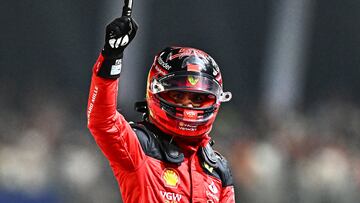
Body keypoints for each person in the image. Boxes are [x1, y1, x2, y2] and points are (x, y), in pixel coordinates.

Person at [87, 16, 235, 203]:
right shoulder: (140, 146)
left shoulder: (219, 169)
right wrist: (111, 58)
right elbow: (102, 121)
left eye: (197, 98)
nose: (188, 105)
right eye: (178, 95)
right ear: (156, 91)